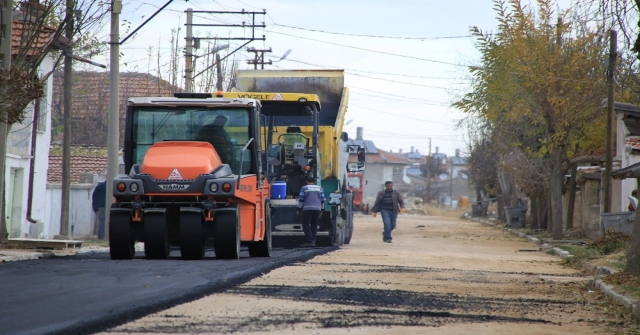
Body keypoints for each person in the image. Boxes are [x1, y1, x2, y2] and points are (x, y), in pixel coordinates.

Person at [296, 176, 325, 247]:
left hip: (307, 209)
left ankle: (309, 241)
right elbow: (323, 200)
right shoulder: (320, 188)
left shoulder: (304, 188)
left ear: (306, 181)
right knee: (314, 225)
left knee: (305, 225)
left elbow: (301, 200)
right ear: (314, 182)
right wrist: (322, 209)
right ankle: (313, 241)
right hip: (317, 209)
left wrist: (299, 209)